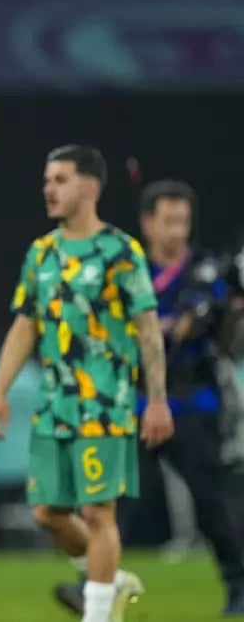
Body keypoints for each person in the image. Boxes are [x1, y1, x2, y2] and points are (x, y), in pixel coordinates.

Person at [0, 144, 175, 622]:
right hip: (55, 404)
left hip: (105, 403)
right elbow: (25, 325)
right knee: (47, 512)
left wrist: (157, 400)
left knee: (97, 512)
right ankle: (108, 579)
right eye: (48, 179)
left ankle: (97, 611)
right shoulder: (42, 253)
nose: (48, 188)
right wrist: (0, 390)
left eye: (60, 179)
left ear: (89, 187)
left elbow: (148, 328)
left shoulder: (119, 251)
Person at [115, 180, 243, 614]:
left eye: (183, 221)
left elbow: (208, 329)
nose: (177, 231)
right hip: (136, 400)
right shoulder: (128, 273)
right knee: (113, 499)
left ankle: (237, 582)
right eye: (168, 221)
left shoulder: (207, 272)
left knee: (211, 503)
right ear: (147, 223)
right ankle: (97, 585)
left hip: (194, 402)